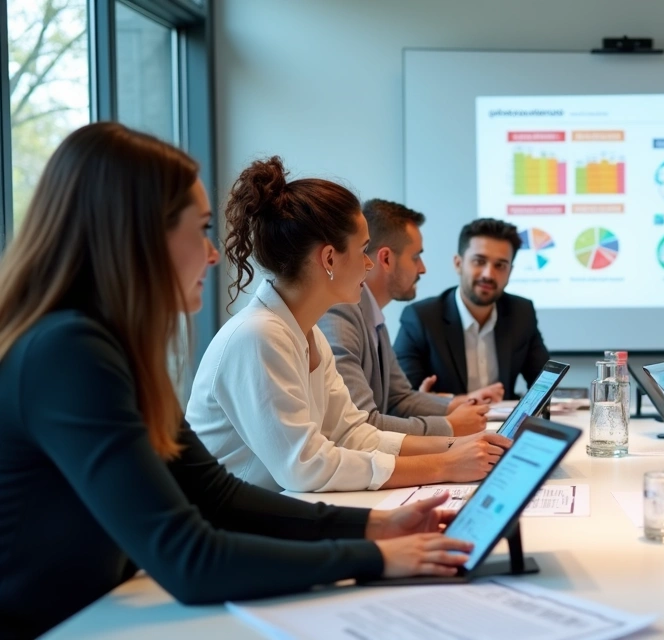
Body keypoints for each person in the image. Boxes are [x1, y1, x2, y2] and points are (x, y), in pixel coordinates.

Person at [0, 124, 473, 639]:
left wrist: (373, 526)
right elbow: (190, 558)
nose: (212, 254)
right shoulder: (69, 354)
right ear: (138, 232)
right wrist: (375, 556)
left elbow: (215, 495)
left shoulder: (105, 349)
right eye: (200, 229)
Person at [188, 157, 510, 493]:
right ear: (329, 259)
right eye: (363, 250)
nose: (370, 264)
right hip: (225, 532)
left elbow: (353, 435)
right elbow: (306, 466)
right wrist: (445, 464)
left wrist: (459, 447)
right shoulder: (259, 335)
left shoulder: (307, 333)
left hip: (268, 515)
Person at [318, 199, 498, 438]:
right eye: (416, 257)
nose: (422, 268)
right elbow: (361, 424)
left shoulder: (372, 316)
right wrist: (450, 426)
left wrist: (459, 405)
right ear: (386, 259)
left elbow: (399, 398)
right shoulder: (339, 313)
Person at [394, 218, 550, 399]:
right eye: (479, 261)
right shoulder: (421, 318)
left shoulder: (521, 312)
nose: (488, 274)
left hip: (502, 425)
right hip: (448, 425)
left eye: (500, 265)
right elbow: (403, 397)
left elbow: (543, 383)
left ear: (510, 272)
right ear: (458, 263)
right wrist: (458, 401)